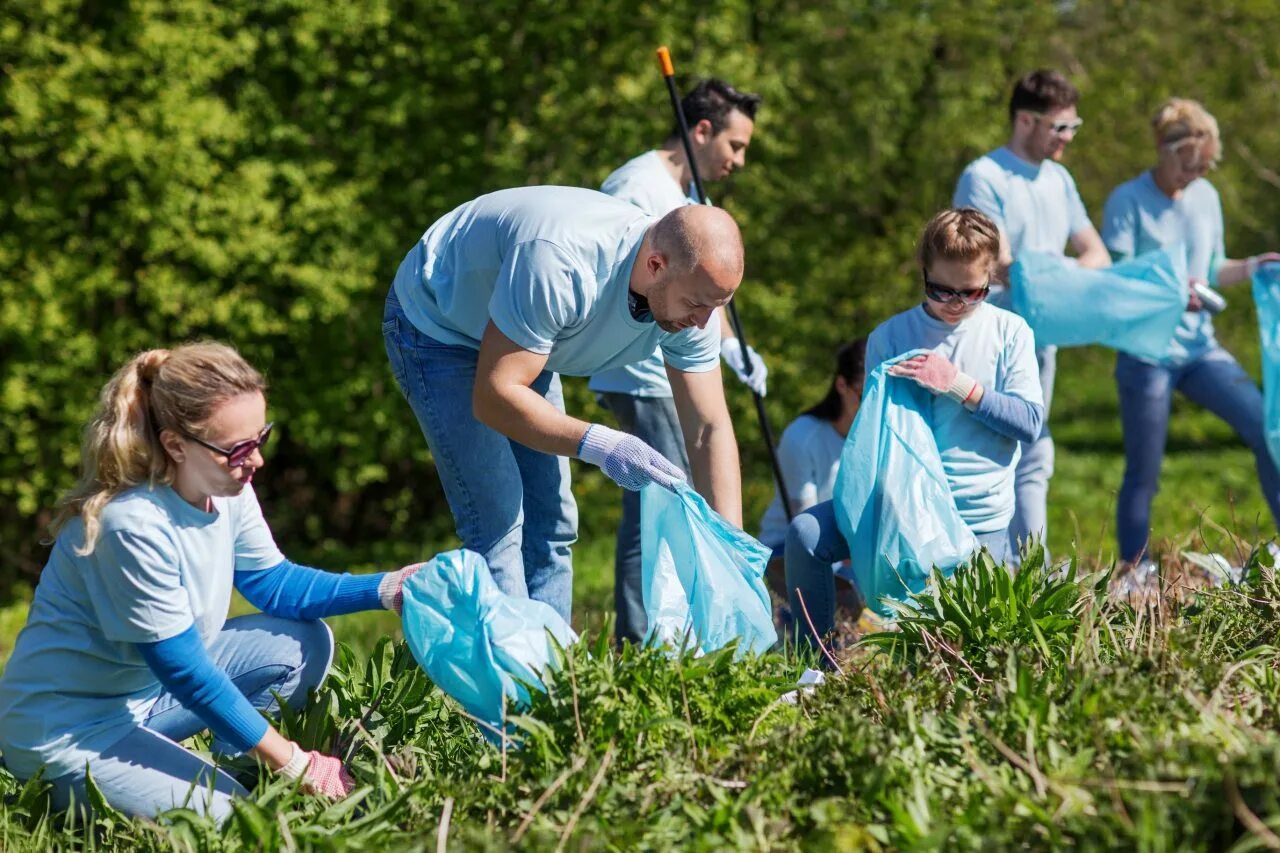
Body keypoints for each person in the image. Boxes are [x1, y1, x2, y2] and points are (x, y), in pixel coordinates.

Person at [0, 342, 420, 822]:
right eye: (238, 449)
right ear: (176, 444)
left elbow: (274, 584)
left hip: (145, 699)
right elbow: (185, 673)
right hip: (69, 727)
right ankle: (124, 784)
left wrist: (388, 588)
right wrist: (295, 763)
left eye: (260, 438)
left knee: (300, 640)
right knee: (241, 821)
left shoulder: (224, 489)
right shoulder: (131, 525)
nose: (256, 460)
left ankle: (230, 762)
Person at [383, 186, 745, 626]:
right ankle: (513, 686)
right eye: (696, 305)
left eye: (716, 307)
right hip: (439, 322)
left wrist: (731, 550)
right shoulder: (563, 262)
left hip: (525, 337)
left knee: (553, 523)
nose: (703, 322)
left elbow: (709, 428)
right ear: (655, 265)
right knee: (498, 524)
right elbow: (495, 396)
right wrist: (601, 443)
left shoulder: (694, 297)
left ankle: (554, 679)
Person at [785, 209, 1043, 646]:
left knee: (955, 650)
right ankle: (816, 666)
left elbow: (1029, 423)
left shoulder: (1010, 332)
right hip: (901, 510)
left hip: (974, 518)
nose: (956, 304)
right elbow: (872, 438)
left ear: (992, 278)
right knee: (805, 536)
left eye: (972, 292)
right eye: (941, 290)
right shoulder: (891, 335)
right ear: (924, 272)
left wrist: (959, 385)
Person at [592, 78, 767, 644]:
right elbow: (633, 284)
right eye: (735, 146)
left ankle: (677, 634)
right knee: (660, 499)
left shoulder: (692, 194)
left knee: (665, 499)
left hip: (671, 367)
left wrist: (729, 345)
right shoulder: (637, 185)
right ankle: (642, 643)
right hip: (640, 374)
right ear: (701, 131)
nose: (739, 160)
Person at [1101, 98, 1280, 566]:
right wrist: (1172, 292)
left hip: (1201, 350)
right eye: (1187, 166)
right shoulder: (1127, 201)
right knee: (1145, 471)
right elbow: (1115, 280)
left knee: (1266, 427)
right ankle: (1134, 569)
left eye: (1202, 168)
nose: (1194, 176)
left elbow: (1215, 268)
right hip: (1146, 353)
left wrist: (1256, 267)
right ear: (1163, 148)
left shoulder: (1206, 198)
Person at [953, 69, 1110, 560]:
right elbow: (992, 264)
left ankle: (1030, 569)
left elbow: (1096, 254)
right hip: (993, 335)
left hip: (1043, 337)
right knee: (990, 448)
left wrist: (1050, 275)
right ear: (1025, 119)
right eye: (1060, 128)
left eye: (1073, 128)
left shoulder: (1059, 180)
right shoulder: (985, 176)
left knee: (1037, 450)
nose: (1067, 139)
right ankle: (984, 568)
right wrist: (1054, 272)